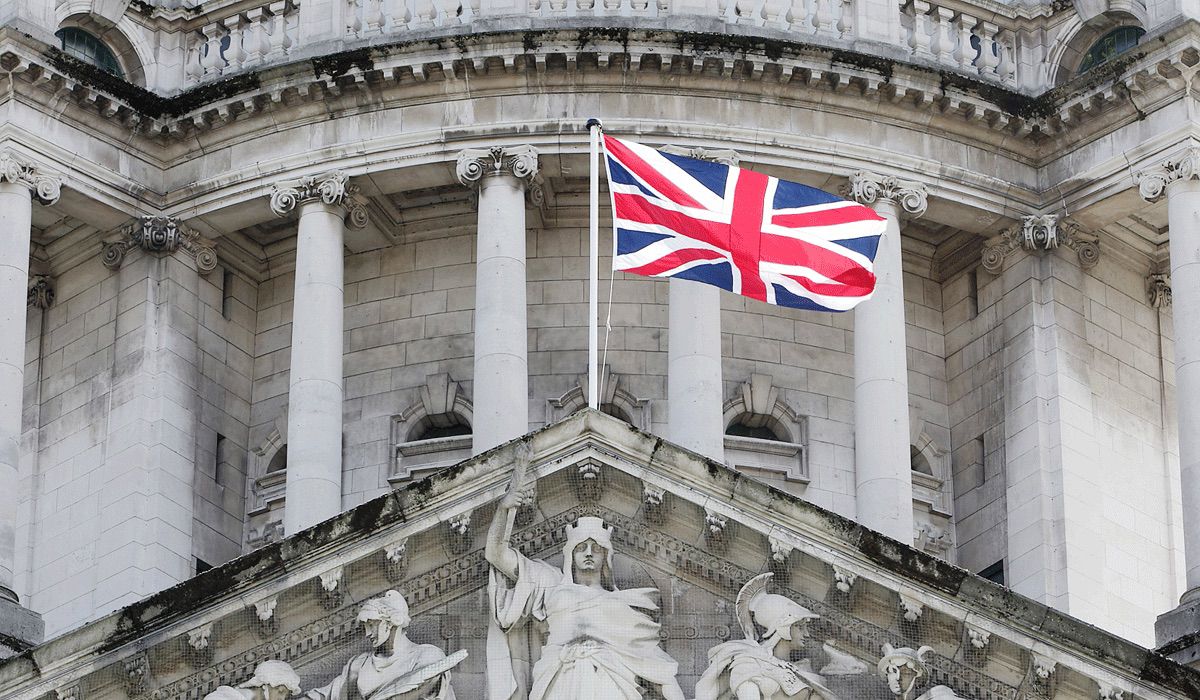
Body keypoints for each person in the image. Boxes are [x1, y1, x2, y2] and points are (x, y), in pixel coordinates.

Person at [484, 453, 686, 700]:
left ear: (606, 558)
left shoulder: (623, 606)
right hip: (560, 682)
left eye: (596, 548)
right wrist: (504, 509)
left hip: (609, 684)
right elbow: (495, 554)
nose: (589, 553)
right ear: (570, 554)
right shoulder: (550, 585)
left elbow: (659, 669)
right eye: (581, 547)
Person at [695, 573, 838, 700]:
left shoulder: (806, 673)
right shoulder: (749, 662)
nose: (806, 634)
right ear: (783, 628)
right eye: (799, 627)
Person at [304, 589, 466, 700]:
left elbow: (419, 689)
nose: (367, 633)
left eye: (372, 624)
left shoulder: (427, 656)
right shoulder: (359, 664)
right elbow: (326, 696)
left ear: (393, 622)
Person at [204, 660, 302, 700]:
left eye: (286, 696)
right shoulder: (224, 697)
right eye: (281, 691)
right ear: (265, 683)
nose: (282, 698)